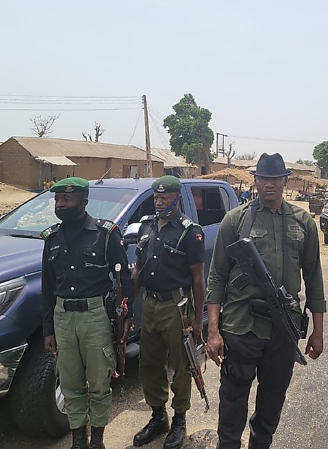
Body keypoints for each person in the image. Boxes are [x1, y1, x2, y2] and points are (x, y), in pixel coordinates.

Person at [206, 153, 326, 449]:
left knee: (273, 398)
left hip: (282, 331)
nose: (269, 184)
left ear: (286, 181)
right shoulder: (235, 220)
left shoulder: (303, 223)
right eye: (263, 178)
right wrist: (212, 331)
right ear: (255, 181)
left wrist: (318, 331)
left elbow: (314, 279)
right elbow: (217, 277)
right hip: (240, 327)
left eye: (275, 178)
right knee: (233, 400)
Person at [41, 177, 134, 449]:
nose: (60, 205)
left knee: (98, 383)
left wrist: (126, 319)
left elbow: (124, 280)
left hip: (96, 316)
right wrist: (48, 329)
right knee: (70, 383)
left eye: (66, 200)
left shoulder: (105, 234)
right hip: (63, 317)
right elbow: (48, 288)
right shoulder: (51, 238)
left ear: (83, 202)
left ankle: (98, 440)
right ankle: (78, 439)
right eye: (57, 200)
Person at [132, 175, 205, 449]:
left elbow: (198, 277)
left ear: (176, 198)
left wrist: (198, 320)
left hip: (177, 308)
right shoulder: (147, 226)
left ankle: (179, 420)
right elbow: (139, 268)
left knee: (182, 366)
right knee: (149, 363)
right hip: (150, 305)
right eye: (156, 198)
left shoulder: (189, 231)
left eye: (164, 198)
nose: (159, 202)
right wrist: (129, 306)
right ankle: (158, 416)